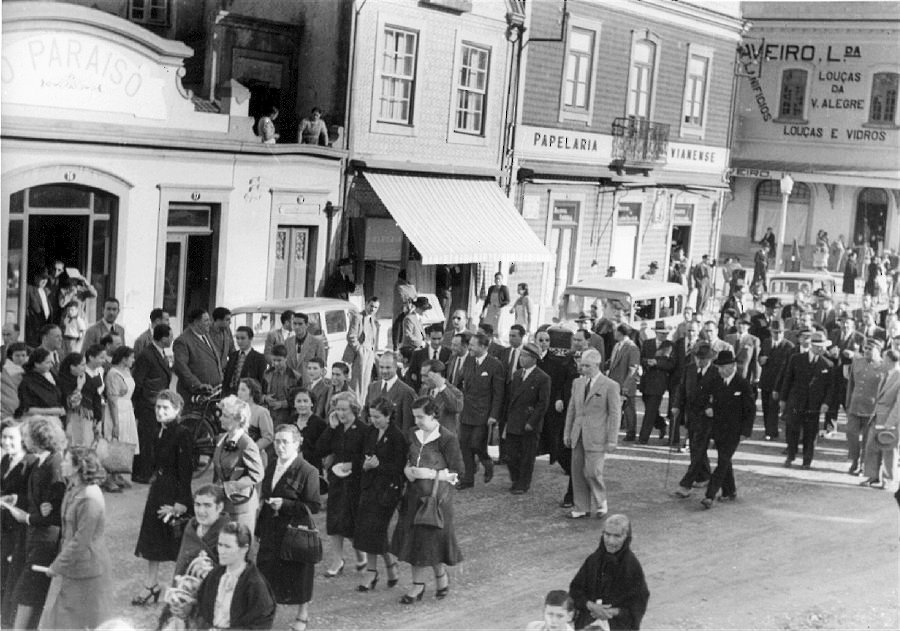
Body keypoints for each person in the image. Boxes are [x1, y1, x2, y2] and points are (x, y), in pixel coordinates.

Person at [391, 397, 462, 604]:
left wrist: (429, 473)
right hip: (413, 497)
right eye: (415, 417)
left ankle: (423, 584)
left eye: (421, 417)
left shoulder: (447, 438)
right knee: (417, 542)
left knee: (429, 541)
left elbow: (458, 472)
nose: (417, 421)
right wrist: (407, 470)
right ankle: (432, 581)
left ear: (433, 415)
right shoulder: (412, 434)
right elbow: (406, 458)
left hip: (436, 499)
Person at [38, 447, 113, 630]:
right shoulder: (73, 488)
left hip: (87, 571)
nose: (62, 464)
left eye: (66, 461)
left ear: (78, 467)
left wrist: (57, 565)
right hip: (75, 568)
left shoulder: (89, 497)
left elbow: (80, 540)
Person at [256, 424, 322, 631]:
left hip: (294, 531)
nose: (280, 446)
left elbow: (314, 506)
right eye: (277, 441)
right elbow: (265, 496)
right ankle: (267, 613)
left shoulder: (308, 471)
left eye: (285, 442)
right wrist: (259, 528)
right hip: (271, 528)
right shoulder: (272, 465)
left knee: (299, 573)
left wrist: (286, 504)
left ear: (296, 444)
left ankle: (303, 614)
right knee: (266, 571)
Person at [133, 390, 193, 606]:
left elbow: (185, 471)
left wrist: (181, 502)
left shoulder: (183, 433)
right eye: (158, 407)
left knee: (178, 543)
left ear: (177, 410)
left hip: (175, 494)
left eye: (165, 408)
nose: (160, 411)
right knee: (152, 539)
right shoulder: (159, 430)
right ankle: (151, 585)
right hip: (158, 491)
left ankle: (182, 589)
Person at [8, 416, 66, 630]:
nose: (24, 440)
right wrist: (16, 499)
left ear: (39, 438)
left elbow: (56, 511)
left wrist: (27, 518)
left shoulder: (54, 463)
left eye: (26, 436)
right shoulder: (41, 461)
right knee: (28, 591)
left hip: (46, 539)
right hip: (36, 536)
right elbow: (39, 500)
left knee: (28, 591)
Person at [354, 399, 406, 592]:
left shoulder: (397, 436)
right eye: (371, 416)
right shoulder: (370, 432)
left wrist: (379, 465)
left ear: (388, 416)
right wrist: (365, 464)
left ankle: (374, 571)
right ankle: (386, 567)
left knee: (377, 529)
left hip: (387, 490)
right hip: (369, 487)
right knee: (367, 529)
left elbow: (399, 467)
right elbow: (361, 454)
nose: (373, 420)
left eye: (377, 417)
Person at [563, 349, 621, 519]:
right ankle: (581, 507)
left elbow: (615, 414)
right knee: (577, 472)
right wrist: (567, 433)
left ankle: (601, 502)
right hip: (577, 434)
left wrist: (612, 439)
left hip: (597, 436)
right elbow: (572, 410)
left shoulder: (610, 385)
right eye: (582, 365)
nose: (583, 369)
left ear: (597, 365)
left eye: (587, 366)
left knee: (592, 472)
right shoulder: (577, 383)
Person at [316, 391, 367, 577]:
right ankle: (337, 560)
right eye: (337, 409)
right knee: (334, 520)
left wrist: (352, 464)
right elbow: (320, 449)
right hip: (337, 480)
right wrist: (330, 428)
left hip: (356, 481)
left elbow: (368, 455)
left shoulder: (363, 429)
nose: (340, 413)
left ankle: (361, 555)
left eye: (344, 409)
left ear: (354, 409)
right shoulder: (336, 428)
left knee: (352, 521)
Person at [569, 514, 649, 630]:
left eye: (617, 536)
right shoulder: (593, 560)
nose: (611, 541)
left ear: (626, 538)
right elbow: (575, 590)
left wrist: (612, 612)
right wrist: (591, 606)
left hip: (616, 623)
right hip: (588, 618)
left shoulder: (631, 567)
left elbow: (637, 605)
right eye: (607, 534)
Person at [193, 522, 276, 629]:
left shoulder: (255, 584)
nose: (221, 551)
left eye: (227, 547)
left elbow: (261, 624)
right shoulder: (215, 574)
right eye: (220, 545)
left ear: (244, 549)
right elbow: (201, 605)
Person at [700, 350, 756, 508]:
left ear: (732, 366)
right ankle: (729, 491)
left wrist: (746, 432)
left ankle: (709, 495)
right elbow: (705, 397)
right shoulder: (715, 381)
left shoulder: (742, 384)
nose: (720, 371)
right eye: (719, 368)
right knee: (725, 460)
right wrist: (708, 407)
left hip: (735, 430)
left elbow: (750, 410)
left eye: (723, 368)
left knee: (723, 461)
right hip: (718, 428)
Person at [779, 331, 836, 469]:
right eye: (818, 346)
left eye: (823, 346)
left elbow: (831, 387)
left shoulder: (828, 364)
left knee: (811, 433)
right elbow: (787, 379)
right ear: (812, 346)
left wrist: (826, 403)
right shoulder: (796, 359)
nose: (821, 349)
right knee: (792, 429)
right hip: (796, 401)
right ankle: (790, 455)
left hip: (814, 404)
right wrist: (783, 399)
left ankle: (807, 460)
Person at [457, 332, 505, 489]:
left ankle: (487, 462)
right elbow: (460, 382)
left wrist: (494, 415)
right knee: (464, 445)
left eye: (472, 345)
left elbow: (498, 393)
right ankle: (468, 479)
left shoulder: (495, 365)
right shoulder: (469, 360)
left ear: (483, 347)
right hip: (467, 411)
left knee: (476, 444)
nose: (469, 348)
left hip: (484, 413)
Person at [671, 343, 718, 497]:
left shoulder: (716, 372)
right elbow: (681, 388)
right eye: (697, 358)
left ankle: (686, 484)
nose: (699, 361)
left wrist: (712, 406)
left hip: (707, 417)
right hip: (691, 415)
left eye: (702, 358)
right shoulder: (689, 369)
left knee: (699, 448)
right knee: (695, 447)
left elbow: (720, 395)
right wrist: (676, 405)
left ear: (709, 359)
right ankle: (704, 476)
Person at [213, 396, 265, 531]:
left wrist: (232, 486)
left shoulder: (246, 444)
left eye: (225, 416)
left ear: (238, 420)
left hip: (241, 506)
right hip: (223, 503)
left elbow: (257, 474)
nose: (220, 418)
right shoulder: (222, 438)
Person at [505, 342, 551, 494]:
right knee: (510, 455)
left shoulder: (542, 378)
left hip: (529, 423)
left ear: (533, 358)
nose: (521, 359)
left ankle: (523, 483)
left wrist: (532, 422)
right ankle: (515, 478)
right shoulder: (517, 374)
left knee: (527, 456)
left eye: (524, 356)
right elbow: (511, 398)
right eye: (521, 356)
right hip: (514, 420)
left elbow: (543, 403)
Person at [0, 420, 33, 628]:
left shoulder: (30, 463)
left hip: (19, 527)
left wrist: (15, 499)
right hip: (3, 525)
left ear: (23, 440)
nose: (6, 442)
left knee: (11, 572)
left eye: (11, 437)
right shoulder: (5, 460)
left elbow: (33, 497)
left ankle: (8, 621)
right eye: (4, 437)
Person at [132, 324, 173, 484]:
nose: (171, 339)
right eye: (170, 336)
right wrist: (140, 403)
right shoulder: (147, 355)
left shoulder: (161, 353)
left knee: (154, 439)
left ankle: (150, 471)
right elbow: (139, 381)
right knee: (146, 440)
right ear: (163, 338)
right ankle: (143, 473)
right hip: (147, 404)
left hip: (157, 403)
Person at [845, 338, 887, 476]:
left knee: (868, 439)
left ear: (878, 350)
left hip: (872, 409)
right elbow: (851, 384)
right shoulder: (857, 362)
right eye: (865, 348)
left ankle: (862, 464)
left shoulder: (883, 366)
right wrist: (848, 403)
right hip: (855, 405)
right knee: (851, 434)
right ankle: (854, 459)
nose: (867, 351)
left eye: (870, 349)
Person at [173, 485, 229, 578]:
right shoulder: (191, 528)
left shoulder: (230, 533)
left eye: (207, 505)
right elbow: (181, 565)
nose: (201, 511)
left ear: (219, 507)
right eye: (197, 505)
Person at [104, 346, 139, 489]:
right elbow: (112, 400)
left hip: (127, 408)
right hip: (117, 409)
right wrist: (116, 423)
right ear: (124, 359)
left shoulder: (127, 371)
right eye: (131, 357)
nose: (133, 360)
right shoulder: (113, 374)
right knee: (114, 441)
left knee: (125, 441)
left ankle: (117, 474)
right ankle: (109, 478)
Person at [173, 309, 223, 408]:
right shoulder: (183, 341)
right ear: (196, 322)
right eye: (206, 320)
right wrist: (198, 385)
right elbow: (181, 368)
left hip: (213, 394)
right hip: (196, 396)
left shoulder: (206, 336)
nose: (210, 323)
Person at [757, 321, 794, 440]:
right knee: (766, 406)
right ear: (771, 332)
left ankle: (771, 432)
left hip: (778, 382)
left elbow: (789, 367)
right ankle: (768, 429)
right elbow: (760, 357)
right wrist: (761, 360)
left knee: (773, 407)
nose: (777, 335)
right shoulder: (766, 342)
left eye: (780, 332)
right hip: (765, 380)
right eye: (775, 332)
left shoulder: (789, 346)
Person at [58, 352, 102, 449]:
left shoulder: (86, 378)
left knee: (88, 448)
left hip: (88, 419)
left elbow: (95, 397)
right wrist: (79, 387)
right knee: (75, 448)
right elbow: (71, 403)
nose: (84, 368)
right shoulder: (63, 381)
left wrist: (98, 417)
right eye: (82, 365)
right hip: (72, 420)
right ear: (72, 367)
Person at [638, 324, 674, 444]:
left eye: (666, 333)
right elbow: (641, 358)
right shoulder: (647, 343)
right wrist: (647, 362)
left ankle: (643, 438)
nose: (664, 335)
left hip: (659, 382)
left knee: (650, 411)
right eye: (662, 333)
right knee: (650, 409)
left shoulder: (670, 345)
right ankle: (661, 424)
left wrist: (657, 363)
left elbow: (672, 364)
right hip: (646, 381)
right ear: (656, 333)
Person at [363, 351, 416, 432]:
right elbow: (365, 413)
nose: (384, 371)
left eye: (388, 368)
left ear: (396, 367)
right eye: (381, 367)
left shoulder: (406, 392)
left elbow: (407, 425)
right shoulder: (372, 387)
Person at [605, 324, 640, 442]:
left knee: (629, 409)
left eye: (616, 331)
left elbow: (633, 368)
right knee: (615, 408)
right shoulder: (617, 345)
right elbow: (612, 361)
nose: (614, 334)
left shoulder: (632, 347)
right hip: (614, 381)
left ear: (620, 333)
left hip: (625, 383)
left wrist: (626, 385)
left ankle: (631, 432)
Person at [342, 297, 380, 401]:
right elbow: (351, 336)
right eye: (371, 306)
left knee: (366, 383)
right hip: (359, 354)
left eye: (375, 307)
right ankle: (354, 404)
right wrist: (360, 350)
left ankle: (361, 405)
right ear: (366, 304)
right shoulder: (358, 317)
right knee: (356, 383)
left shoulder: (373, 319)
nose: (373, 309)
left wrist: (373, 353)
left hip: (369, 354)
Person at [15, 348, 64, 420]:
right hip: (35, 421)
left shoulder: (48, 374)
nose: (51, 365)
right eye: (47, 363)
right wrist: (54, 411)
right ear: (37, 364)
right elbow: (25, 409)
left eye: (51, 362)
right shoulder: (26, 382)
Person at [236, 378, 275, 464]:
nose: (239, 393)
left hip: (256, 458)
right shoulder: (237, 411)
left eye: (243, 390)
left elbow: (268, 437)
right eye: (239, 389)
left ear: (252, 393)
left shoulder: (261, 412)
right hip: (236, 458)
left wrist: (252, 448)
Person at [420, 359, 464, 434]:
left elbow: (457, 407)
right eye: (422, 376)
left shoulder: (455, 392)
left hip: (444, 437)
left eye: (426, 376)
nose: (422, 380)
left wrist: (441, 387)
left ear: (437, 375)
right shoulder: (423, 390)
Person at [290, 388, 327, 473]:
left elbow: (323, 450)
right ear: (294, 404)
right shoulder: (290, 421)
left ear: (312, 403)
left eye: (305, 401)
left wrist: (304, 455)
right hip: (292, 468)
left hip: (312, 469)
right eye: (299, 401)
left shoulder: (320, 424)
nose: (302, 404)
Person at [223, 326, 267, 397]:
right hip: (230, 395)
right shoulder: (233, 356)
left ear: (250, 338)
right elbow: (226, 378)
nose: (239, 341)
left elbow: (262, 381)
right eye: (237, 338)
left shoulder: (259, 358)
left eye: (243, 338)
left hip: (248, 396)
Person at [285, 312, 326, 387]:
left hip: (309, 384)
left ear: (307, 325)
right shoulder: (287, 342)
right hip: (291, 384)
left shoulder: (317, 342)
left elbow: (321, 366)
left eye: (300, 324)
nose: (297, 327)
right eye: (294, 324)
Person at [264, 344, 300, 425]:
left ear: (286, 358)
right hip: (269, 417)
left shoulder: (295, 377)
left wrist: (282, 404)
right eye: (274, 360)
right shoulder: (266, 374)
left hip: (288, 418)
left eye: (279, 360)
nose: (276, 363)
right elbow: (259, 392)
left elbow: (299, 399)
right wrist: (265, 398)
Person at [25, 271, 52, 348]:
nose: (45, 281)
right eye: (42, 278)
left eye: (46, 279)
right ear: (36, 278)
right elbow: (25, 309)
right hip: (33, 331)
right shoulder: (29, 289)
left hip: (44, 329)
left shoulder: (45, 290)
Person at [392, 271, 417, 351]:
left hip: (411, 309)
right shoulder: (398, 285)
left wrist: (411, 304)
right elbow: (401, 297)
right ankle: (396, 347)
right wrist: (407, 302)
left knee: (407, 327)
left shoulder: (411, 286)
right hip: (400, 310)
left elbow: (415, 296)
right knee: (398, 327)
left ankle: (406, 346)